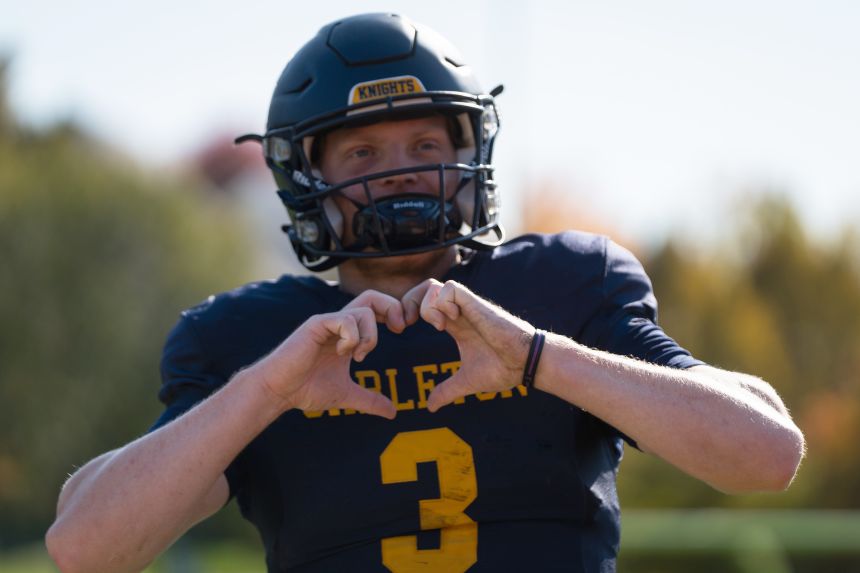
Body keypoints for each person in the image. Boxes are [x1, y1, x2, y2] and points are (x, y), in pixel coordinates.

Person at [45, 13, 805, 573]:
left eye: (425, 145)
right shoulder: (252, 342)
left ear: (469, 152)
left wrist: (542, 359)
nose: (399, 169)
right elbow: (84, 548)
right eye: (364, 151)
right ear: (309, 180)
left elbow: (767, 453)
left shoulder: (561, 284)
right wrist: (267, 390)